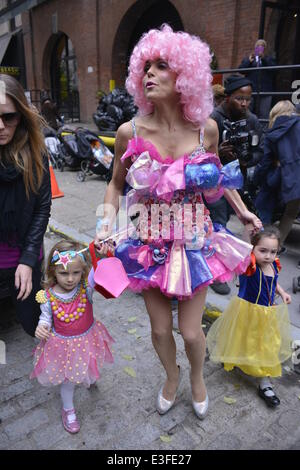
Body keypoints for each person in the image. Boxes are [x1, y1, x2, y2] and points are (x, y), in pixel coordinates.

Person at [94, 25, 262, 420]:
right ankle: (171, 377)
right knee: (157, 330)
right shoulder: (128, 132)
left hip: (193, 242)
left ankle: (197, 378)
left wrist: (243, 212)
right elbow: (115, 185)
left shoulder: (206, 129)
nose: (149, 73)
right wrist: (104, 225)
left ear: (185, 75)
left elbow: (217, 177)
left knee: (190, 331)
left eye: (162, 65)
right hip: (146, 240)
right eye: (146, 66)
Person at [30, 240, 114, 434]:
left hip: (88, 338)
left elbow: (100, 271)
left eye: (76, 273)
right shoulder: (47, 297)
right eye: (64, 273)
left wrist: (101, 255)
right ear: (52, 272)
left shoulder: (87, 286)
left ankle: (90, 378)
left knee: (90, 362)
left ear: (82, 272)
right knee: (68, 381)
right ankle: (68, 410)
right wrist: (41, 328)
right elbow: (45, 319)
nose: (70, 279)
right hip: (63, 347)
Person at [207, 226, 292, 407]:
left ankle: (265, 382)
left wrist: (283, 293)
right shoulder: (249, 266)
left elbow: (274, 283)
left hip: (267, 314)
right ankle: (235, 357)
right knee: (241, 337)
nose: (268, 256)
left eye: (273, 251)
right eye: (263, 250)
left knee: (268, 345)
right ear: (253, 249)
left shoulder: (273, 266)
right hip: (247, 311)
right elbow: (241, 248)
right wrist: (247, 231)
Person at [0, 74, 52, 337]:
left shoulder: (36, 154)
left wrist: (28, 259)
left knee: (33, 323)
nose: (0, 126)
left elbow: (42, 209)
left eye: (8, 116)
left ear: (20, 115)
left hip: (25, 257)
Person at [208, 74, 264, 295]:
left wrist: (244, 158)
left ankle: (241, 264)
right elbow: (198, 154)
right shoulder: (214, 119)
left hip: (239, 180)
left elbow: (260, 150)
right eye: (239, 98)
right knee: (218, 223)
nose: (244, 103)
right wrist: (217, 153)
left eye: (248, 99)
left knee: (239, 222)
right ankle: (215, 273)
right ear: (227, 97)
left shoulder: (251, 120)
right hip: (214, 183)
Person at [254, 100, 300, 251]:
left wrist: (257, 179)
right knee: (291, 213)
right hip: (295, 181)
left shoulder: (272, 133)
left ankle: (267, 249)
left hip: (282, 180)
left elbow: (265, 162)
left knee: (274, 213)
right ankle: (275, 248)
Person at [239, 39, 276, 120]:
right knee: (247, 112)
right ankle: (247, 130)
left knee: (264, 114)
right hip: (251, 91)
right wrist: (248, 61)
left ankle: (262, 132)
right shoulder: (249, 59)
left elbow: (273, 70)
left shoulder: (269, 59)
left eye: (262, 46)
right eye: (258, 46)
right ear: (255, 48)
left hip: (265, 91)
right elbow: (241, 70)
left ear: (265, 49)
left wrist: (264, 59)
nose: (259, 48)